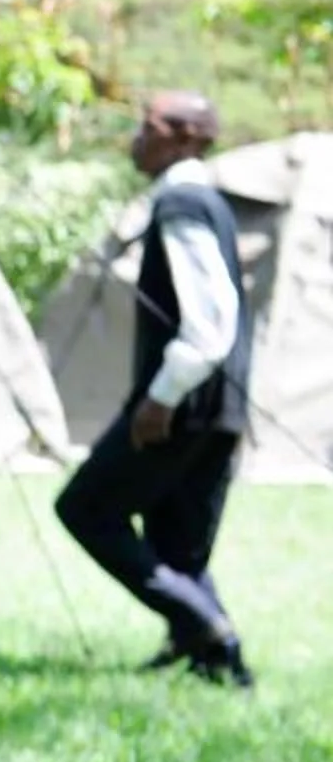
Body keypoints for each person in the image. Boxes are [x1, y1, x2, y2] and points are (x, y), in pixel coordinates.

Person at [54, 91, 256, 689]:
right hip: (221, 403)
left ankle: (206, 625)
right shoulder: (206, 201)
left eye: (149, 128)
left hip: (184, 401)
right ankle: (213, 661)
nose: (136, 140)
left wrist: (161, 396)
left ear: (188, 137)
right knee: (179, 542)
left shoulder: (182, 203)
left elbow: (210, 321)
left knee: (86, 508)